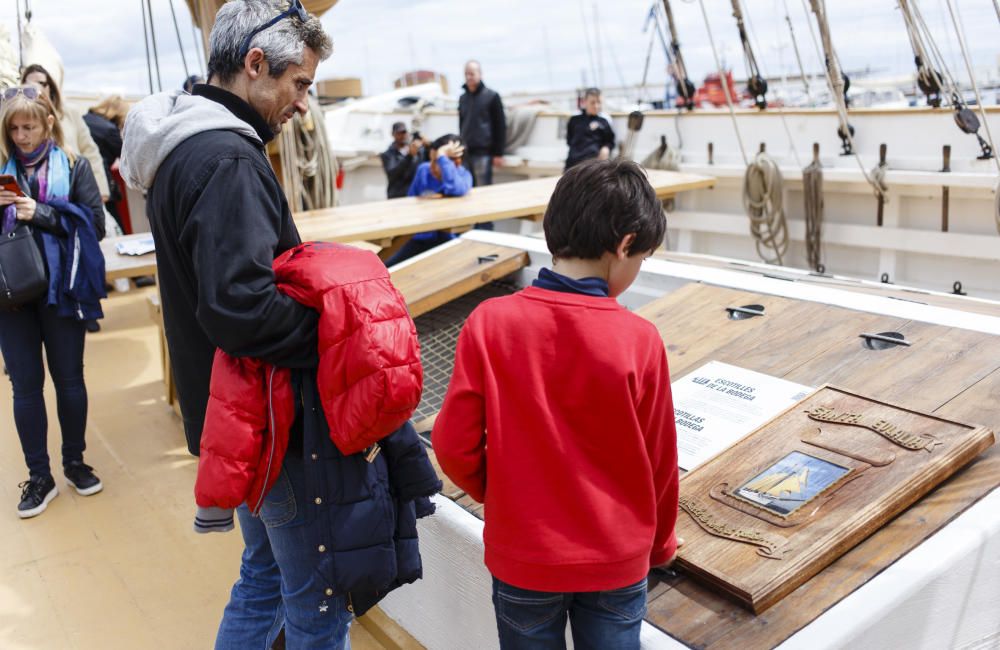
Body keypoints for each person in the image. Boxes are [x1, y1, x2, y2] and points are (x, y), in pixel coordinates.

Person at [121, 2, 434, 647]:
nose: (302, 105)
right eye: (299, 85)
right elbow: (241, 309)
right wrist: (339, 331)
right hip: (275, 425)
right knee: (318, 602)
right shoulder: (229, 162)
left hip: (235, 416)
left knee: (263, 575)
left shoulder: (181, 151)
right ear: (255, 65)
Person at [433, 159, 681, 649]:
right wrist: (661, 546)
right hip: (615, 562)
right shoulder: (639, 339)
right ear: (625, 243)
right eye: (641, 259)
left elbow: (452, 444)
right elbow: (660, 463)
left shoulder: (490, 322)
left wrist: (508, 500)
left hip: (524, 557)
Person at [0, 86, 107, 519]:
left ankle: (75, 463)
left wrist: (37, 212)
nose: (22, 136)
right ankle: (39, 476)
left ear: (48, 123)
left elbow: (95, 225)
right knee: (24, 387)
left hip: (62, 290)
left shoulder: (75, 166)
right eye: (14, 128)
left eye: (29, 126)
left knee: (69, 380)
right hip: (10, 297)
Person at [21, 64, 111, 203]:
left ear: (50, 86)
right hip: (37, 196)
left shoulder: (70, 114)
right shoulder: (17, 123)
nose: (35, 87)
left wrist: (101, 191)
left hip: (77, 188)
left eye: (41, 83)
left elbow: (90, 151)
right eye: (29, 83)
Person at [383, 133, 472, 267]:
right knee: (388, 266)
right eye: (431, 160)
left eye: (437, 161)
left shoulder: (463, 176)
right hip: (418, 238)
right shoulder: (423, 170)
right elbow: (410, 201)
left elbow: (456, 189)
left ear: (456, 163)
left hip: (447, 242)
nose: (431, 166)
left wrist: (442, 156)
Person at [82, 95, 128, 232]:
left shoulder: (83, 119)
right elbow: (127, 159)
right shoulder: (109, 130)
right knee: (115, 228)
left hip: (81, 183)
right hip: (101, 185)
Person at [458, 60, 505, 187]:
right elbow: (461, 124)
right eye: (466, 74)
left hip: (484, 153)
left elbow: (500, 125)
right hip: (465, 152)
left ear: (480, 74)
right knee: (466, 187)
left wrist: (498, 153)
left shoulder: (492, 96)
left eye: (472, 74)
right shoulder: (462, 98)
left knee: (483, 188)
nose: (469, 77)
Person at [565, 87, 615, 170]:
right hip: (573, 163)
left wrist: (606, 148)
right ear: (585, 102)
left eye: (599, 102)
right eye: (593, 102)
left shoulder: (604, 122)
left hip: (593, 165)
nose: (596, 106)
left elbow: (610, 141)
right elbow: (569, 140)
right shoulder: (574, 120)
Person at [380, 121, 422, 199]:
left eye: (404, 132)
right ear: (393, 134)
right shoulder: (387, 154)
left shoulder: (417, 151)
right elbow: (392, 173)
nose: (402, 135)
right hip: (397, 196)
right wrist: (409, 156)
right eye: (399, 133)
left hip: (414, 195)